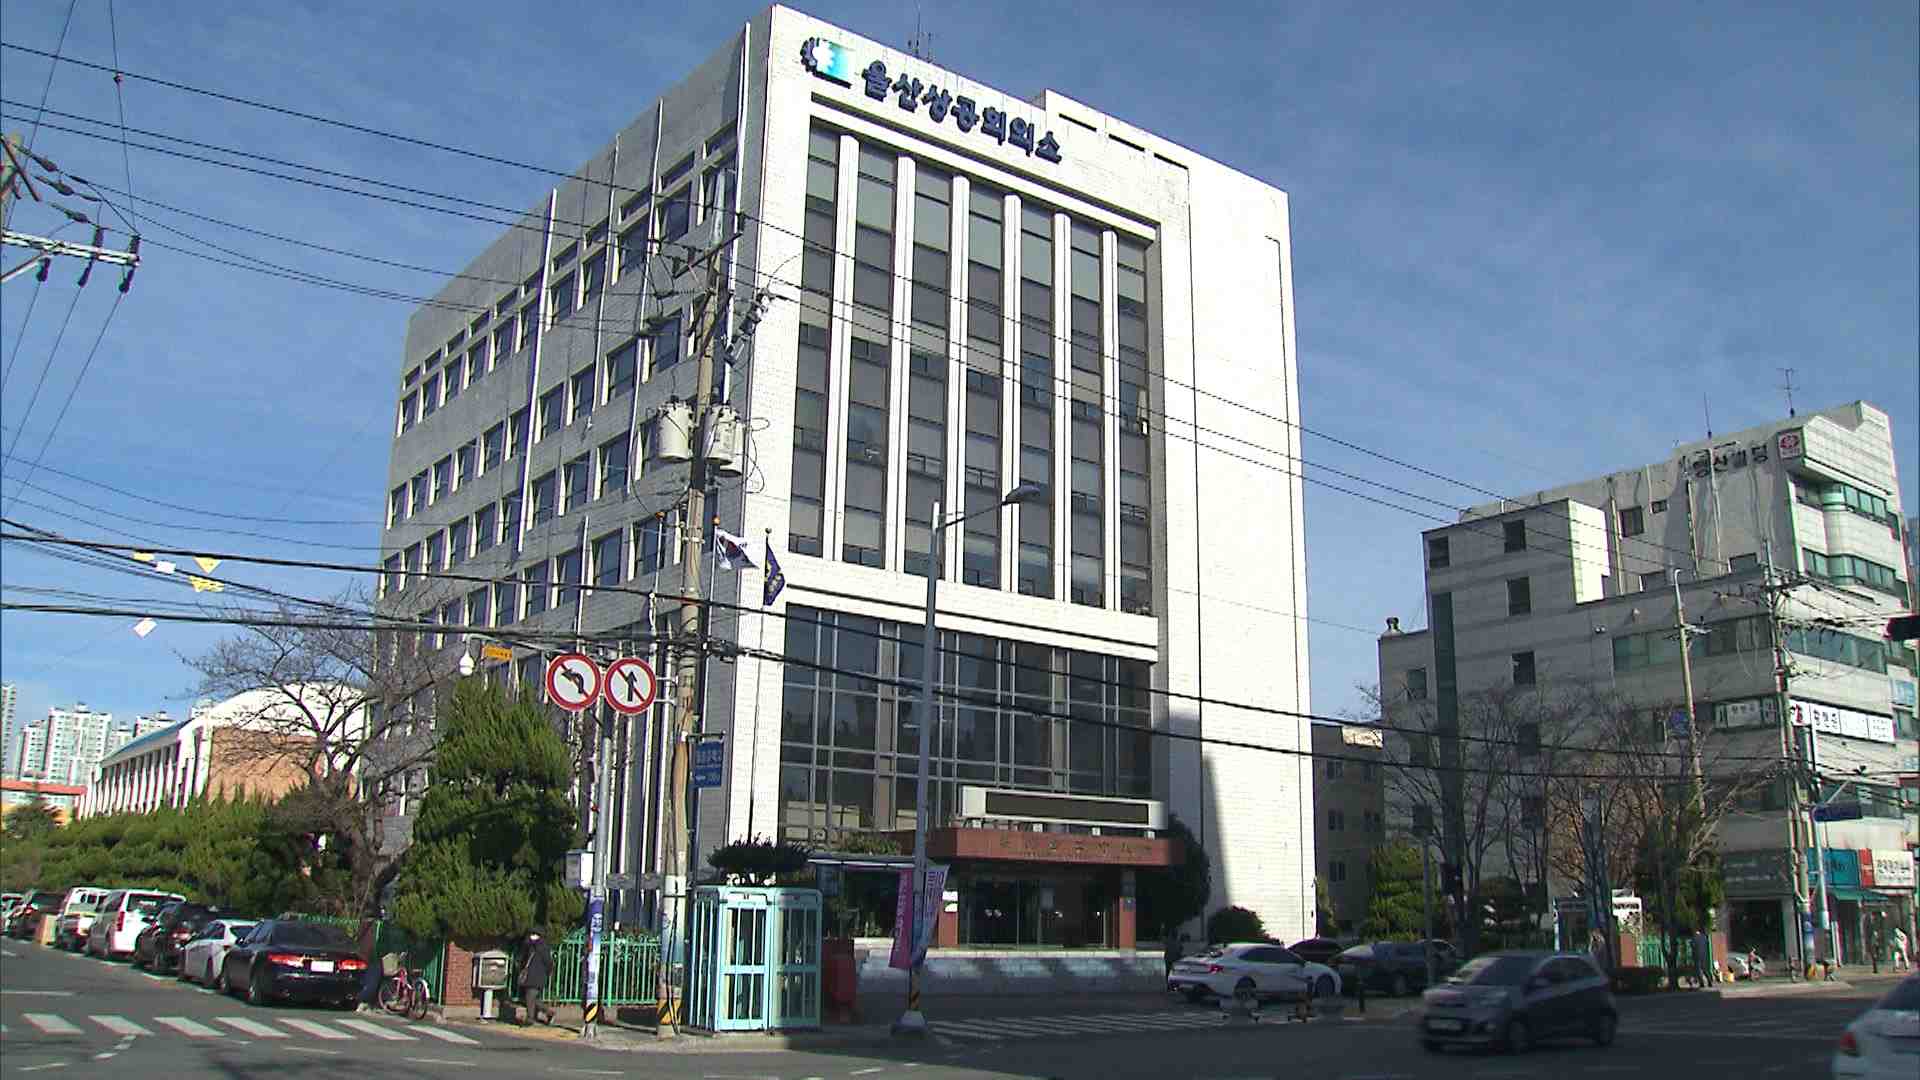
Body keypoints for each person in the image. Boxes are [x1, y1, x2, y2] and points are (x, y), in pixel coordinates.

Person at [519, 927, 555, 1026]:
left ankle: (530, 1018)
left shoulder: (542, 947)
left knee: (530, 997)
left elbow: (548, 962)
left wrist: (547, 973)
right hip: (531, 976)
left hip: (537, 976)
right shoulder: (529, 946)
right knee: (532, 998)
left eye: (535, 934)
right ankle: (549, 1012)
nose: (532, 936)